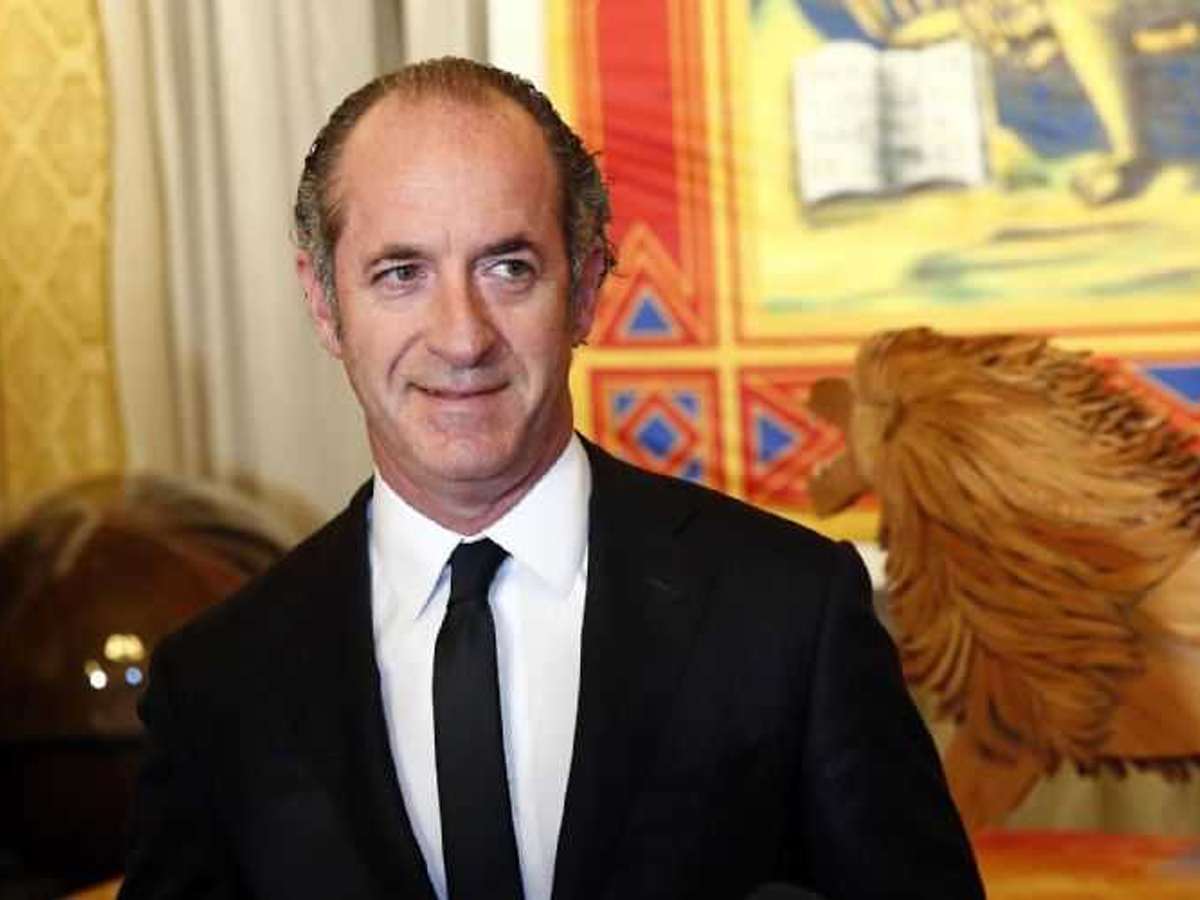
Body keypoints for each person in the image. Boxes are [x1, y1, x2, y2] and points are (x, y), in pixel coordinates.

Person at [118, 57, 984, 900]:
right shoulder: (218, 684)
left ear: (586, 288)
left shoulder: (792, 612)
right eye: (401, 274)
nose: (462, 338)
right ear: (323, 302)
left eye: (509, 268)